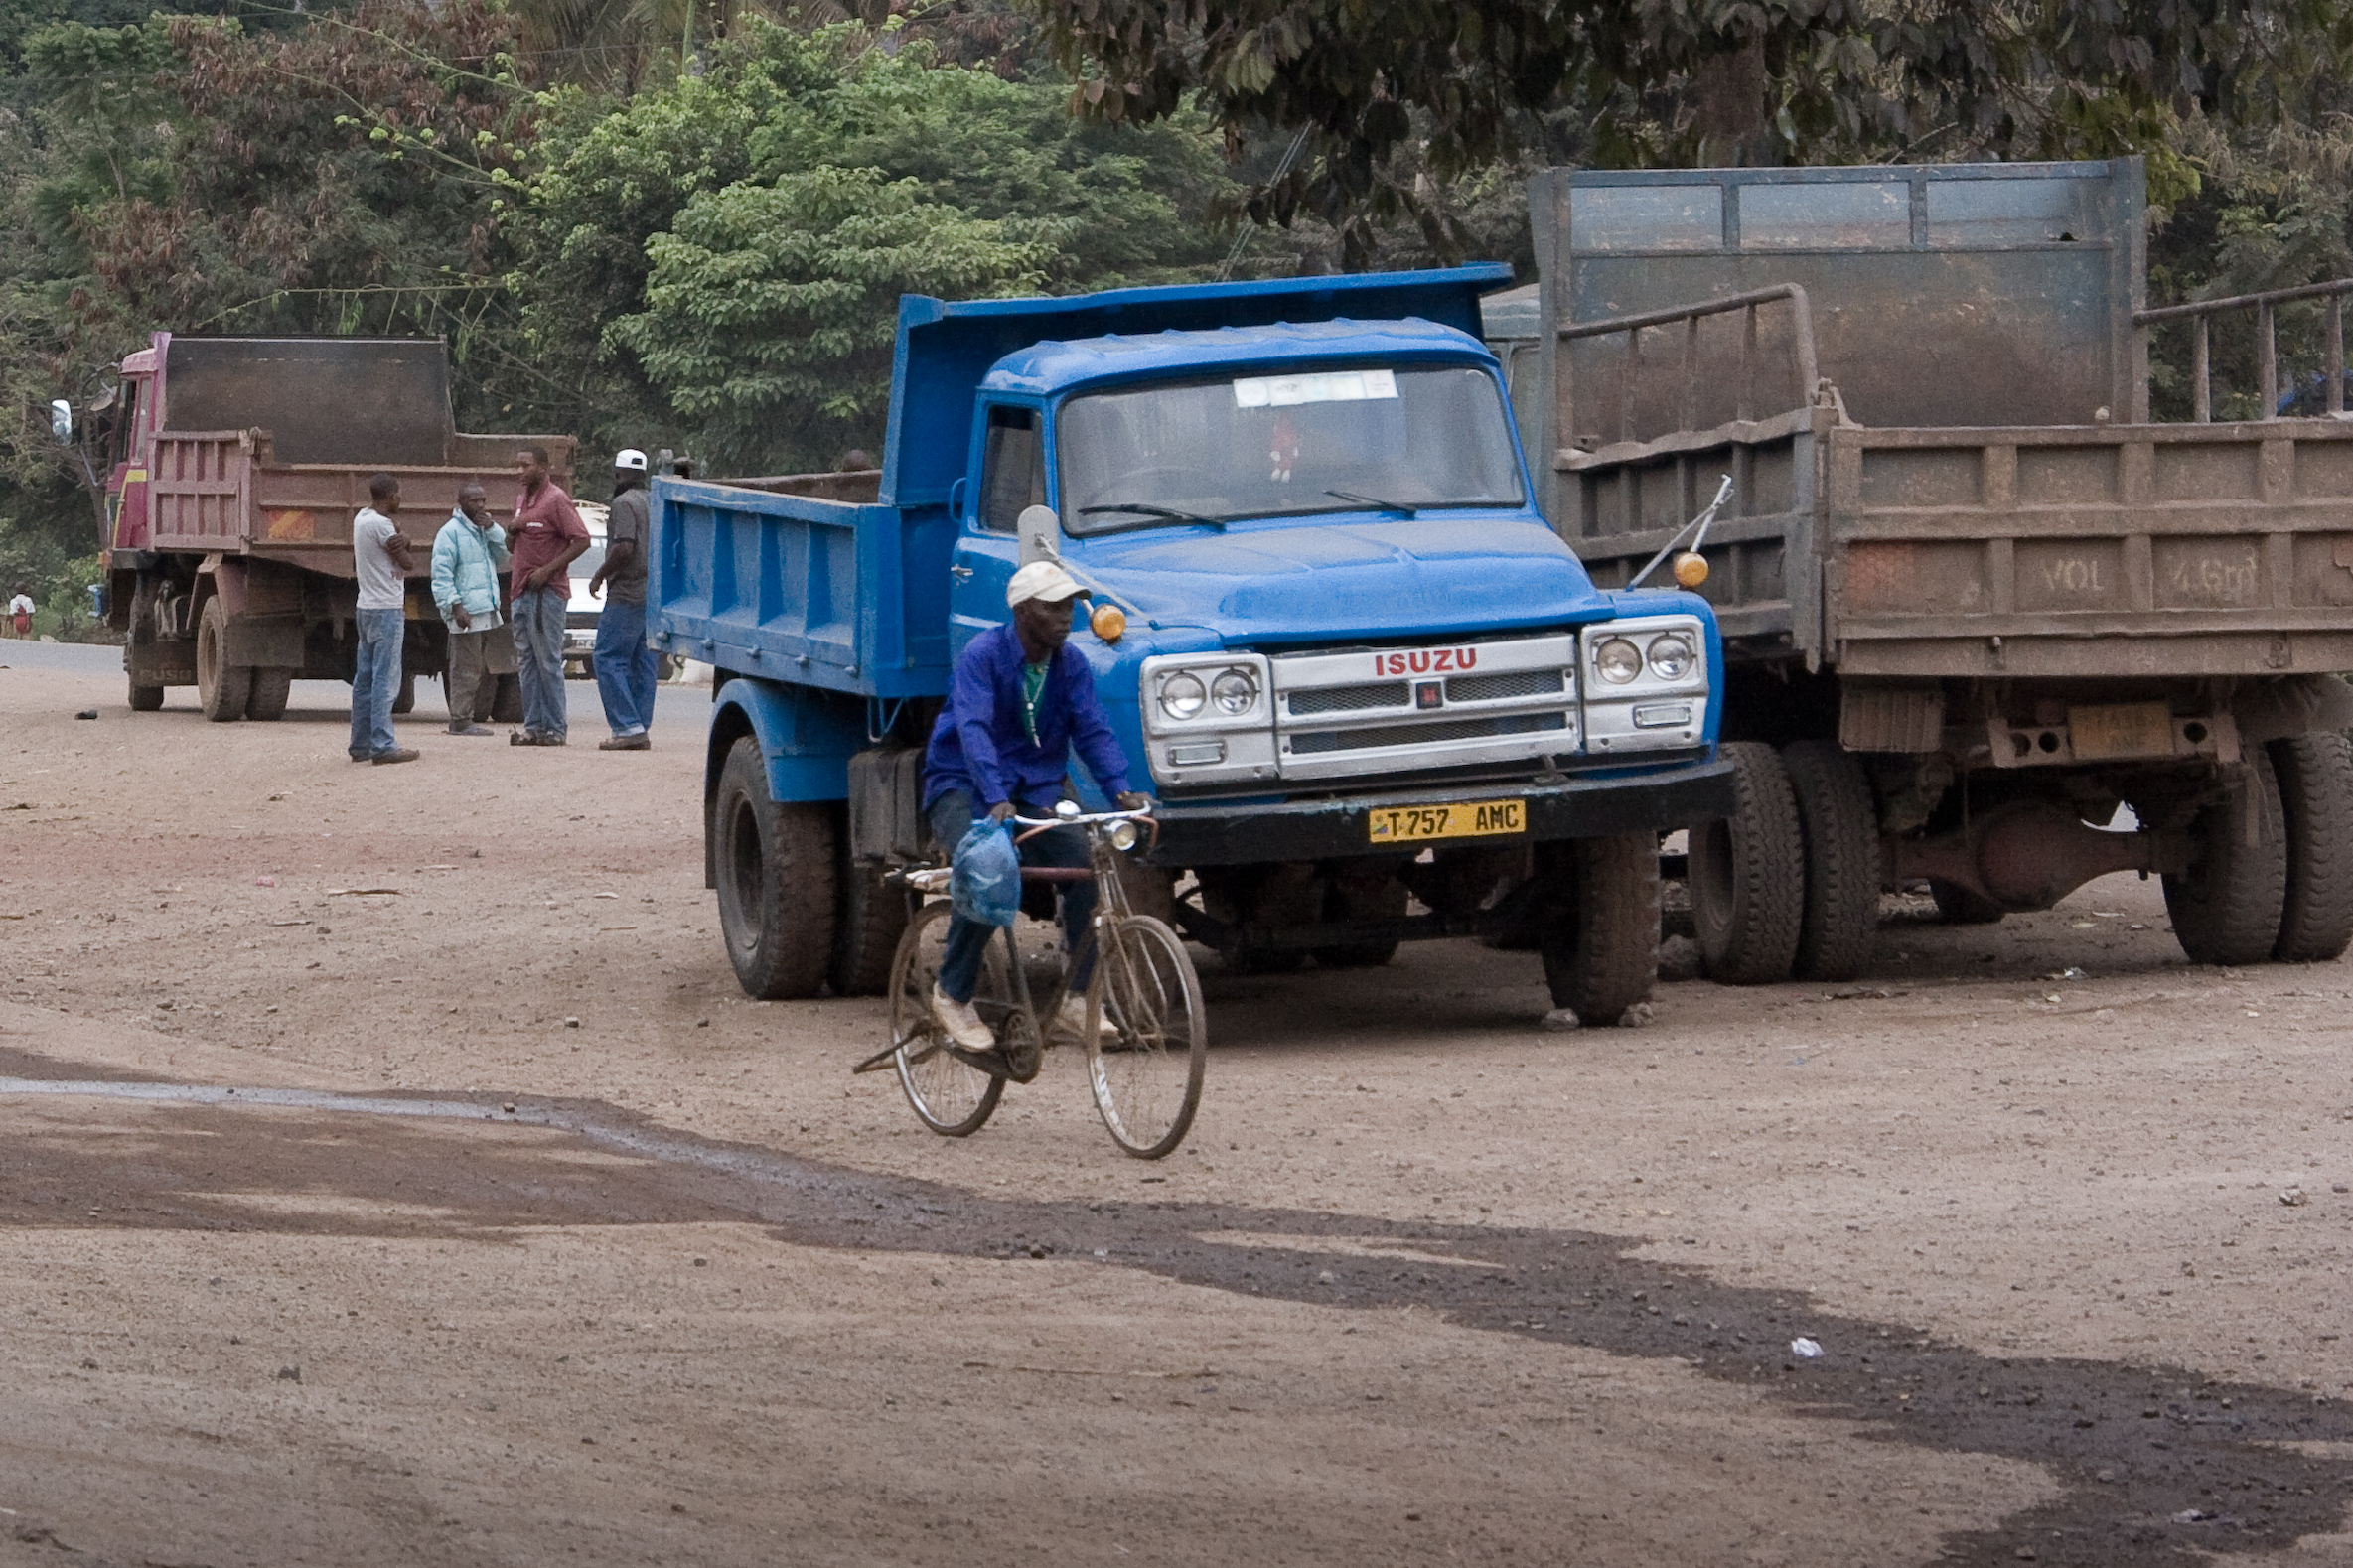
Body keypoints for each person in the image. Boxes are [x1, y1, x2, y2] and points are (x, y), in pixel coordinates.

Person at [921, 560, 1152, 1050]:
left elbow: (1092, 730)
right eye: (1054, 607)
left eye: (1070, 606)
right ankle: (954, 994)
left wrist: (1120, 791)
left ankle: (1076, 998)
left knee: (1088, 864)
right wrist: (995, 796)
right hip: (963, 782)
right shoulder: (982, 656)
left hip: (1036, 789)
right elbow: (974, 729)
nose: (1067, 617)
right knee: (988, 865)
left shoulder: (1071, 665)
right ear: (1023, 611)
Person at [505, 445, 589, 746]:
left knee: (548, 661)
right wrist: (512, 530)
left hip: (547, 594)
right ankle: (534, 727)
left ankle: (555, 728)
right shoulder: (521, 500)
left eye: (525, 465)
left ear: (543, 467)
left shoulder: (556, 500)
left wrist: (548, 571)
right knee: (526, 660)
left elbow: (581, 540)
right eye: (518, 466)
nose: (520, 472)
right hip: (520, 591)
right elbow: (511, 546)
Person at [430, 482, 515, 737]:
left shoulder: (482, 531)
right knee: (464, 667)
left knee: (476, 667)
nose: (479, 506)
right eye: (473, 501)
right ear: (461, 503)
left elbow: (506, 556)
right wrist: (455, 606)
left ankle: (463, 717)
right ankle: (460, 720)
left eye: (482, 500)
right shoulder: (450, 533)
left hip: (485, 610)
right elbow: (441, 574)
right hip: (466, 612)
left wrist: (491, 529)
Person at [588, 449, 658, 751]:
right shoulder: (655, 501)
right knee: (643, 660)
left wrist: (600, 574)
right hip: (653, 594)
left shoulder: (623, 503)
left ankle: (627, 726)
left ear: (618, 473)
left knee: (607, 657)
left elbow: (624, 547)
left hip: (627, 592)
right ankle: (639, 725)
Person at [350, 474, 419, 766]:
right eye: (399, 494)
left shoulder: (361, 518)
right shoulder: (382, 525)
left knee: (364, 678)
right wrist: (407, 540)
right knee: (386, 680)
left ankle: (360, 744)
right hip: (387, 608)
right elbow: (407, 562)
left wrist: (401, 536)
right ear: (389, 496)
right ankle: (383, 744)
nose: (401, 499)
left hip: (365, 606)